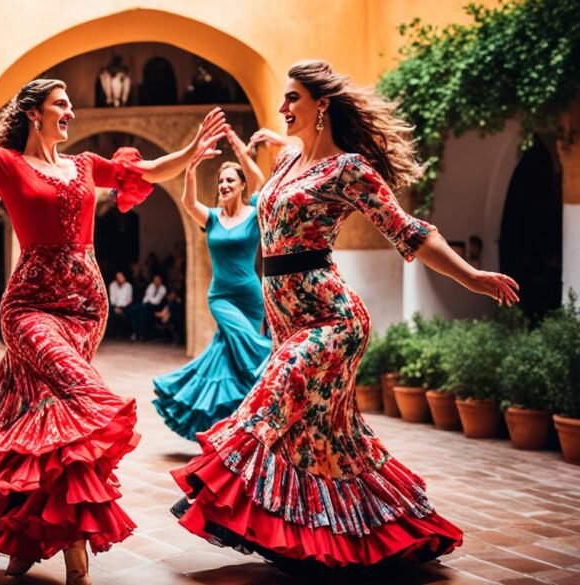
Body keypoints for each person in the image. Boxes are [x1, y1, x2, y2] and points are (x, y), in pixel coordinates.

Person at [0, 50, 227, 585]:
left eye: (70, 105)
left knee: (42, 425)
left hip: (86, 311)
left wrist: (191, 151)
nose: (70, 112)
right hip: (29, 307)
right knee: (79, 406)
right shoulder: (9, 164)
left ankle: (25, 539)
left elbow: (149, 172)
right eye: (61, 104)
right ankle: (77, 557)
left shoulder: (84, 165)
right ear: (35, 113)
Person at [170, 60, 519, 569]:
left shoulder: (348, 169)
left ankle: (227, 504)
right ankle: (356, 536)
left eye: (293, 98)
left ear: (321, 105)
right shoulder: (286, 164)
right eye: (285, 98)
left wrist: (472, 277)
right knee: (327, 443)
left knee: (267, 407)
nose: (284, 106)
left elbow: (410, 230)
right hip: (287, 324)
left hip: (332, 322)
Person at [153, 130, 272, 441]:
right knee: (250, 348)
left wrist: (240, 150)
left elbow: (260, 177)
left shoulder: (254, 212)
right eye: (221, 182)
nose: (224, 185)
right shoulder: (213, 218)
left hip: (251, 298)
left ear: (242, 186)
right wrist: (191, 168)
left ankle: (232, 428)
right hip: (221, 298)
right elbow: (188, 201)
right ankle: (270, 386)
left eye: (231, 181)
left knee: (227, 359)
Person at [130, 274, 167, 340]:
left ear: (160, 281)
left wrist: (148, 301)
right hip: (146, 304)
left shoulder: (163, 289)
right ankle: (135, 332)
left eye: (157, 280)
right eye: (155, 280)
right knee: (133, 310)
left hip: (155, 307)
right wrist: (145, 303)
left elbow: (157, 300)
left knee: (142, 314)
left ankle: (141, 334)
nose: (156, 281)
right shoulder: (151, 286)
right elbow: (146, 297)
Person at [107, 271, 133, 339]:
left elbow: (129, 299)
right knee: (110, 315)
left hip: (125, 307)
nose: (119, 279)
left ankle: (129, 334)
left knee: (129, 313)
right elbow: (112, 298)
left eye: (120, 277)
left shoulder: (128, 286)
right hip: (114, 306)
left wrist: (122, 308)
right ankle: (111, 334)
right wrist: (115, 308)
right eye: (117, 277)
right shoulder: (112, 285)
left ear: (124, 277)